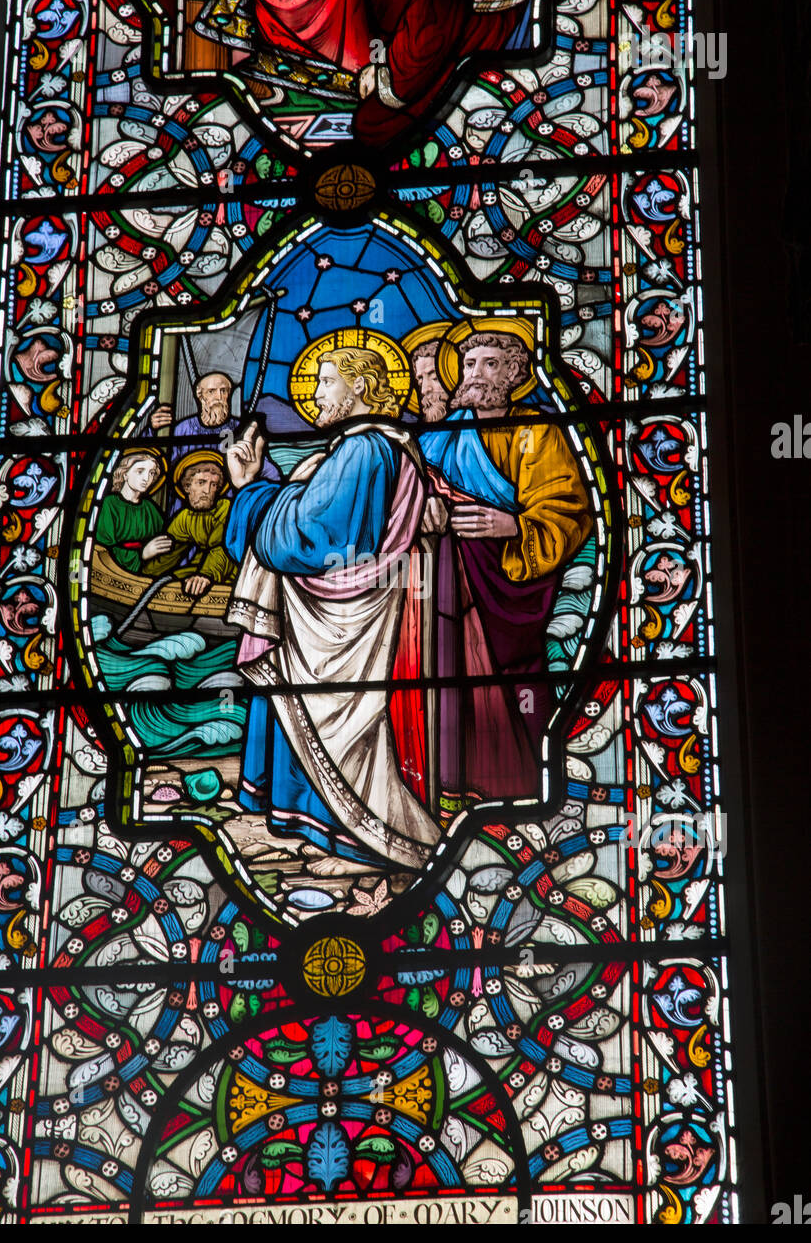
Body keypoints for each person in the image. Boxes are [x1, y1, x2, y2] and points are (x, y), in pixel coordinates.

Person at [222, 345, 441, 868]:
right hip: (343, 612)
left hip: (347, 620)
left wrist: (251, 490)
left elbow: (314, 539)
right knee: (319, 720)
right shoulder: (366, 448)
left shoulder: (363, 449)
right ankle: (315, 826)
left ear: (360, 389)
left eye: (325, 382)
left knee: (343, 726)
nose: (315, 395)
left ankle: (359, 841)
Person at [420, 324, 593, 809]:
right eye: (470, 364)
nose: (477, 374)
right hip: (446, 581)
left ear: (515, 373)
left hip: (509, 581)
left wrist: (512, 525)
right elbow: (416, 493)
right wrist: (424, 511)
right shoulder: (440, 436)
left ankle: (512, 780)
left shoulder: (536, 429)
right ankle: (444, 778)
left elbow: (566, 508)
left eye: (491, 363)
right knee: (446, 669)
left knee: (511, 679)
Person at [212, 0, 556, 143]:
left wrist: (389, 79)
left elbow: (434, 30)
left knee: (373, 125)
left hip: (466, 40)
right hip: (450, 20)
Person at [150, 371, 281, 479]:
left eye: (223, 391)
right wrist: (151, 431)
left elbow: (269, 472)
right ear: (200, 396)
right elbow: (160, 465)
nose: (218, 397)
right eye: (211, 391)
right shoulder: (182, 429)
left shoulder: (241, 430)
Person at [151, 451, 238, 597]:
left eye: (214, 484)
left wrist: (206, 575)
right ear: (187, 486)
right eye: (201, 482)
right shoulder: (184, 517)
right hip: (198, 569)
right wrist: (147, 574)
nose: (207, 490)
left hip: (229, 571)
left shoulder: (227, 510)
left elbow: (223, 549)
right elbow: (169, 553)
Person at [96, 451, 174, 574]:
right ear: (125, 474)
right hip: (112, 572)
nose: (147, 478)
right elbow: (102, 550)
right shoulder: (109, 504)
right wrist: (142, 553)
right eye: (140, 471)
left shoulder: (150, 509)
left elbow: (164, 540)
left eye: (152, 473)